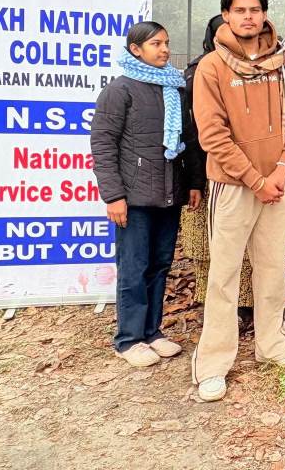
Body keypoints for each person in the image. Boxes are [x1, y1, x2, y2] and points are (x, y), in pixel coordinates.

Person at [191, 0, 285, 402]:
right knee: (223, 276)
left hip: (278, 183)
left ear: (264, 15)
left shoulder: (283, 63)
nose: (248, 17)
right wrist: (256, 180)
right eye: (239, 10)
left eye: (255, 10)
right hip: (234, 186)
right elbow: (212, 135)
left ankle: (273, 345)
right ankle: (213, 364)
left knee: (272, 268)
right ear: (226, 16)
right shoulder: (211, 67)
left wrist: (281, 169)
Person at [91, 22, 204, 367]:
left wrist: (194, 182)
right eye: (156, 43)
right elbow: (103, 145)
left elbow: (189, 139)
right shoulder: (120, 90)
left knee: (159, 264)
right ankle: (129, 339)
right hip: (134, 198)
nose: (164, 49)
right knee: (134, 268)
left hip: (169, 193)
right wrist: (113, 196)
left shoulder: (175, 88)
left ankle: (152, 332)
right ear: (136, 49)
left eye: (166, 43)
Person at [181, 15, 255, 321]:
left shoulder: (254, 68)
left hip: (248, 170)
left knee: (244, 243)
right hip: (208, 171)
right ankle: (212, 302)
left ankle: (245, 303)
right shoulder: (198, 72)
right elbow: (191, 132)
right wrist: (194, 180)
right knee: (208, 245)